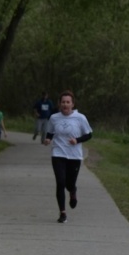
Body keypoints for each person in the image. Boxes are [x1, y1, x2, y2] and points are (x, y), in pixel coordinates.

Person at [43, 90, 92, 223]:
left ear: (72, 104)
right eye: (63, 102)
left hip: (74, 156)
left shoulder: (80, 118)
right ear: (59, 104)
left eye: (68, 102)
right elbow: (50, 133)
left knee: (69, 184)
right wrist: (48, 139)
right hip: (58, 153)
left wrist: (77, 140)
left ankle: (73, 190)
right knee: (60, 182)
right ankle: (62, 213)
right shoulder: (54, 118)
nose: (65, 104)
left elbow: (89, 134)